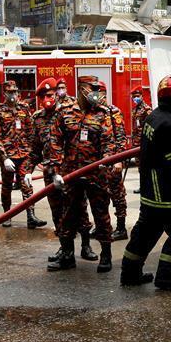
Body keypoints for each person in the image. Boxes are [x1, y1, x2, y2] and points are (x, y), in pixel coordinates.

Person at [120, 75, 171, 290]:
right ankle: (168, 277)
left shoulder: (154, 116)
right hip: (169, 192)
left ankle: (130, 273)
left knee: (145, 232)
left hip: (150, 189)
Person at [46, 76, 117, 273]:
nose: (95, 92)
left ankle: (106, 255)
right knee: (68, 214)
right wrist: (56, 170)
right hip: (71, 174)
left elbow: (108, 142)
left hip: (96, 173)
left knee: (101, 214)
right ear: (81, 89)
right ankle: (67, 256)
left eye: (97, 89)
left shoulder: (103, 113)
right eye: (91, 88)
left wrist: (106, 162)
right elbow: (55, 141)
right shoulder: (65, 112)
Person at [0, 81, 47, 229]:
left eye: (15, 92)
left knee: (26, 184)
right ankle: (7, 215)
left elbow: (31, 131)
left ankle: (31, 216)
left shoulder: (24, 109)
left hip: (24, 154)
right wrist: (4, 158)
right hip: (8, 156)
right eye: (10, 92)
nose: (13, 95)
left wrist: (31, 151)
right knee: (7, 186)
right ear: (4, 94)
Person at [97, 81, 129, 241]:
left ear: (104, 93)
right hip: (98, 164)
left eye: (99, 92)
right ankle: (102, 226)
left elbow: (121, 138)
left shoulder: (113, 112)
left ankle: (121, 228)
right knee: (99, 196)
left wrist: (119, 160)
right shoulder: (92, 114)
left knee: (117, 194)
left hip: (112, 163)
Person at [130, 84, 151, 194]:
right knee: (139, 166)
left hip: (143, 142)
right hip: (136, 142)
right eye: (134, 96)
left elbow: (150, 126)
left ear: (142, 96)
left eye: (137, 96)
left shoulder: (146, 110)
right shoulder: (135, 109)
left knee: (145, 166)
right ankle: (143, 185)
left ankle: (147, 186)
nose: (135, 98)